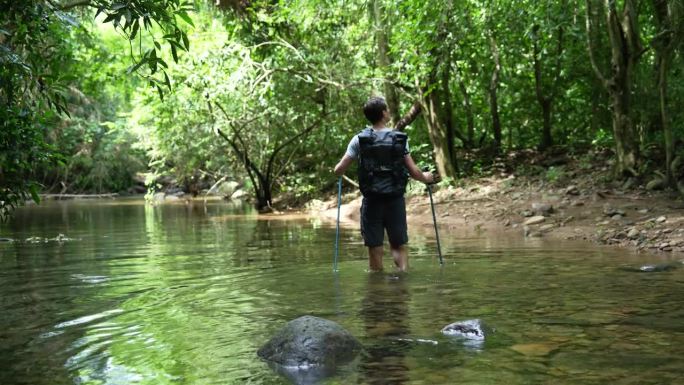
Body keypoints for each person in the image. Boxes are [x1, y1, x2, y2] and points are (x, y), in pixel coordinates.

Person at [333, 96, 437, 272]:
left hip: (371, 199)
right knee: (398, 245)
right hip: (395, 199)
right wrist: (427, 178)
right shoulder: (398, 139)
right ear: (383, 113)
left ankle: (377, 292)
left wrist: (338, 172)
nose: (389, 111)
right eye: (387, 109)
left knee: (375, 247)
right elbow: (413, 171)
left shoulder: (359, 140)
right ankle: (402, 284)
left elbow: (339, 169)